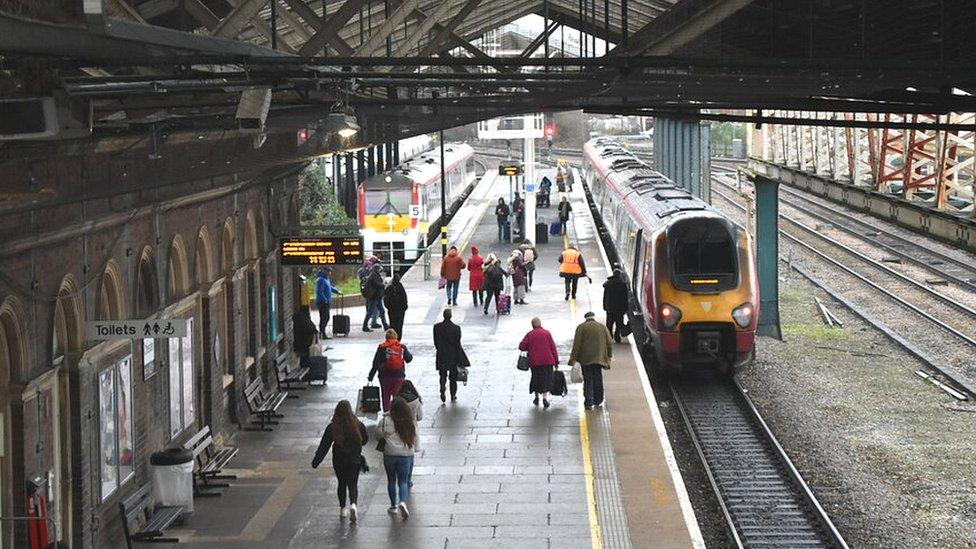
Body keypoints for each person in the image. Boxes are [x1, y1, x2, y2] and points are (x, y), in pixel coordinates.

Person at [311, 400, 369, 521]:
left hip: (339, 460)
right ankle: (353, 504)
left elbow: (324, 446)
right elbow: (365, 439)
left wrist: (316, 461)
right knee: (353, 484)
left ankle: (343, 509)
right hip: (354, 460)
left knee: (341, 483)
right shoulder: (357, 424)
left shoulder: (333, 427)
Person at [377, 397, 419, 520]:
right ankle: (402, 502)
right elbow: (415, 438)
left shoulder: (385, 420)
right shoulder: (409, 421)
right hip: (405, 454)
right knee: (403, 481)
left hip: (389, 454)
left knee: (391, 480)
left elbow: (377, 436)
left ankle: (393, 506)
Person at [569, 312, 614, 410]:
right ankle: (599, 400)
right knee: (598, 378)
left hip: (585, 359)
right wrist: (609, 356)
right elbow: (610, 342)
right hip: (599, 358)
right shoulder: (602, 327)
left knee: (588, 379)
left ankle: (589, 402)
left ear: (585, 318)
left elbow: (577, 345)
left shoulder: (581, 327)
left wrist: (573, 359)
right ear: (594, 317)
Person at [367, 329, 414, 412]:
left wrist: (371, 376)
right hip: (399, 376)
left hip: (384, 377)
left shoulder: (382, 347)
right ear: (396, 337)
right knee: (397, 397)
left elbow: (376, 363)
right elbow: (409, 359)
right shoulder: (401, 347)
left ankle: (386, 414)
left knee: (385, 397)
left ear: (386, 338)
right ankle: (397, 414)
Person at [519, 317, 559, 408]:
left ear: (532, 325)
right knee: (546, 379)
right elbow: (553, 348)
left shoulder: (530, 334)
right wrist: (556, 361)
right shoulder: (547, 333)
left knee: (536, 378)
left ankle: (536, 397)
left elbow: (521, 346)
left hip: (534, 361)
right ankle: (545, 398)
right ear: (540, 324)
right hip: (547, 361)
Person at [433, 309, 469, 403]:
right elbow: (457, 343)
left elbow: (436, 342)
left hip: (441, 354)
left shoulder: (437, 327)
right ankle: (453, 395)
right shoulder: (456, 328)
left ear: (443, 316)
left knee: (442, 375)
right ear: (451, 316)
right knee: (453, 378)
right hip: (453, 356)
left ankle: (442, 389)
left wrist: (440, 349)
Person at [315, 268, 342, 338]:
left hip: (326, 302)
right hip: (322, 302)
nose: (330, 272)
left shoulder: (326, 279)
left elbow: (330, 287)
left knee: (325, 317)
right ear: (324, 271)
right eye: (328, 271)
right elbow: (319, 291)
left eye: (330, 271)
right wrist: (325, 300)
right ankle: (322, 333)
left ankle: (322, 332)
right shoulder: (320, 279)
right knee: (325, 317)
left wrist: (337, 291)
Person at [603, 269, 629, 343]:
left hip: (610, 308)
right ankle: (617, 336)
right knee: (619, 323)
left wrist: (605, 306)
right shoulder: (623, 285)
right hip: (619, 308)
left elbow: (605, 297)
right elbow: (625, 298)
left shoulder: (608, 284)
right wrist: (625, 308)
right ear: (619, 275)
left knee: (609, 324)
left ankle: (609, 337)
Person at [362, 263, 388, 332]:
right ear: (376, 269)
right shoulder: (373, 275)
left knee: (382, 311)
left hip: (377, 297)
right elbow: (376, 284)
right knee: (370, 312)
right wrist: (383, 285)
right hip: (374, 297)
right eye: (379, 268)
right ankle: (364, 326)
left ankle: (385, 325)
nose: (380, 270)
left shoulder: (375, 275)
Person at [384, 274, 408, 342]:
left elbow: (385, 299)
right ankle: (398, 339)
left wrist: (388, 307)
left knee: (392, 324)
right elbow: (404, 298)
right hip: (400, 311)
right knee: (399, 326)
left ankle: (392, 338)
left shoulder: (389, 288)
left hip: (392, 311)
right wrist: (404, 308)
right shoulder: (400, 288)